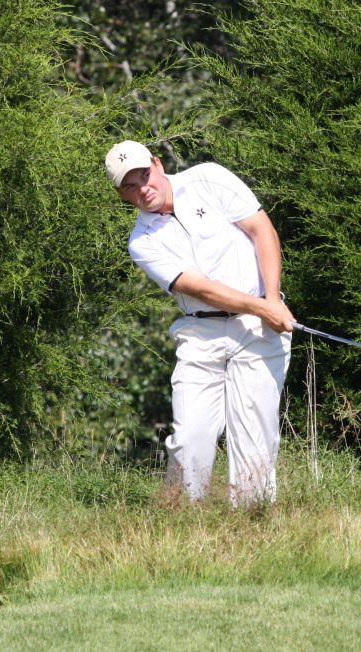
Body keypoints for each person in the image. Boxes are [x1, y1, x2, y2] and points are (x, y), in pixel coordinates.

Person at [105, 140, 295, 506]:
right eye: (130, 185)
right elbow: (201, 289)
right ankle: (187, 521)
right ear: (121, 194)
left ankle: (253, 520)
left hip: (258, 330)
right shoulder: (142, 242)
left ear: (157, 164)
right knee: (190, 437)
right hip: (200, 333)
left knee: (254, 437)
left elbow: (262, 230)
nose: (142, 188)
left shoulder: (208, 178)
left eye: (144, 175)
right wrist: (262, 307)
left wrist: (272, 300)